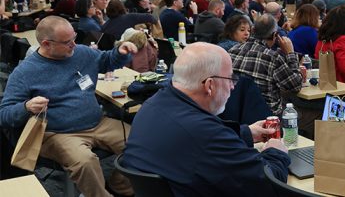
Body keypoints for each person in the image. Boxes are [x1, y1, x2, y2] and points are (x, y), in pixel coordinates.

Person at [121, 42, 290, 197]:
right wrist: (276, 152)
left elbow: (192, 143)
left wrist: (246, 133)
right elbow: (269, 186)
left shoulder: (152, 105)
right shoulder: (204, 135)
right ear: (210, 85)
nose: (232, 86)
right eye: (231, 79)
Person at [0, 16, 138, 197]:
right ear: (47, 44)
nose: (74, 44)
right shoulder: (25, 73)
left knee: (139, 143)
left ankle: (121, 186)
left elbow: (107, 61)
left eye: (74, 38)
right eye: (67, 42)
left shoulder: (81, 53)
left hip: (97, 123)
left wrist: (120, 52)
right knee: (85, 162)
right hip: (58, 133)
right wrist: (26, 107)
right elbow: (5, 115)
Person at [230, 14, 302, 115]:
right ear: (274, 35)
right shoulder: (272, 57)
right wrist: (290, 53)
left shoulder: (232, 50)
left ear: (253, 30)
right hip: (268, 118)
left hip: (237, 114)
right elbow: (296, 86)